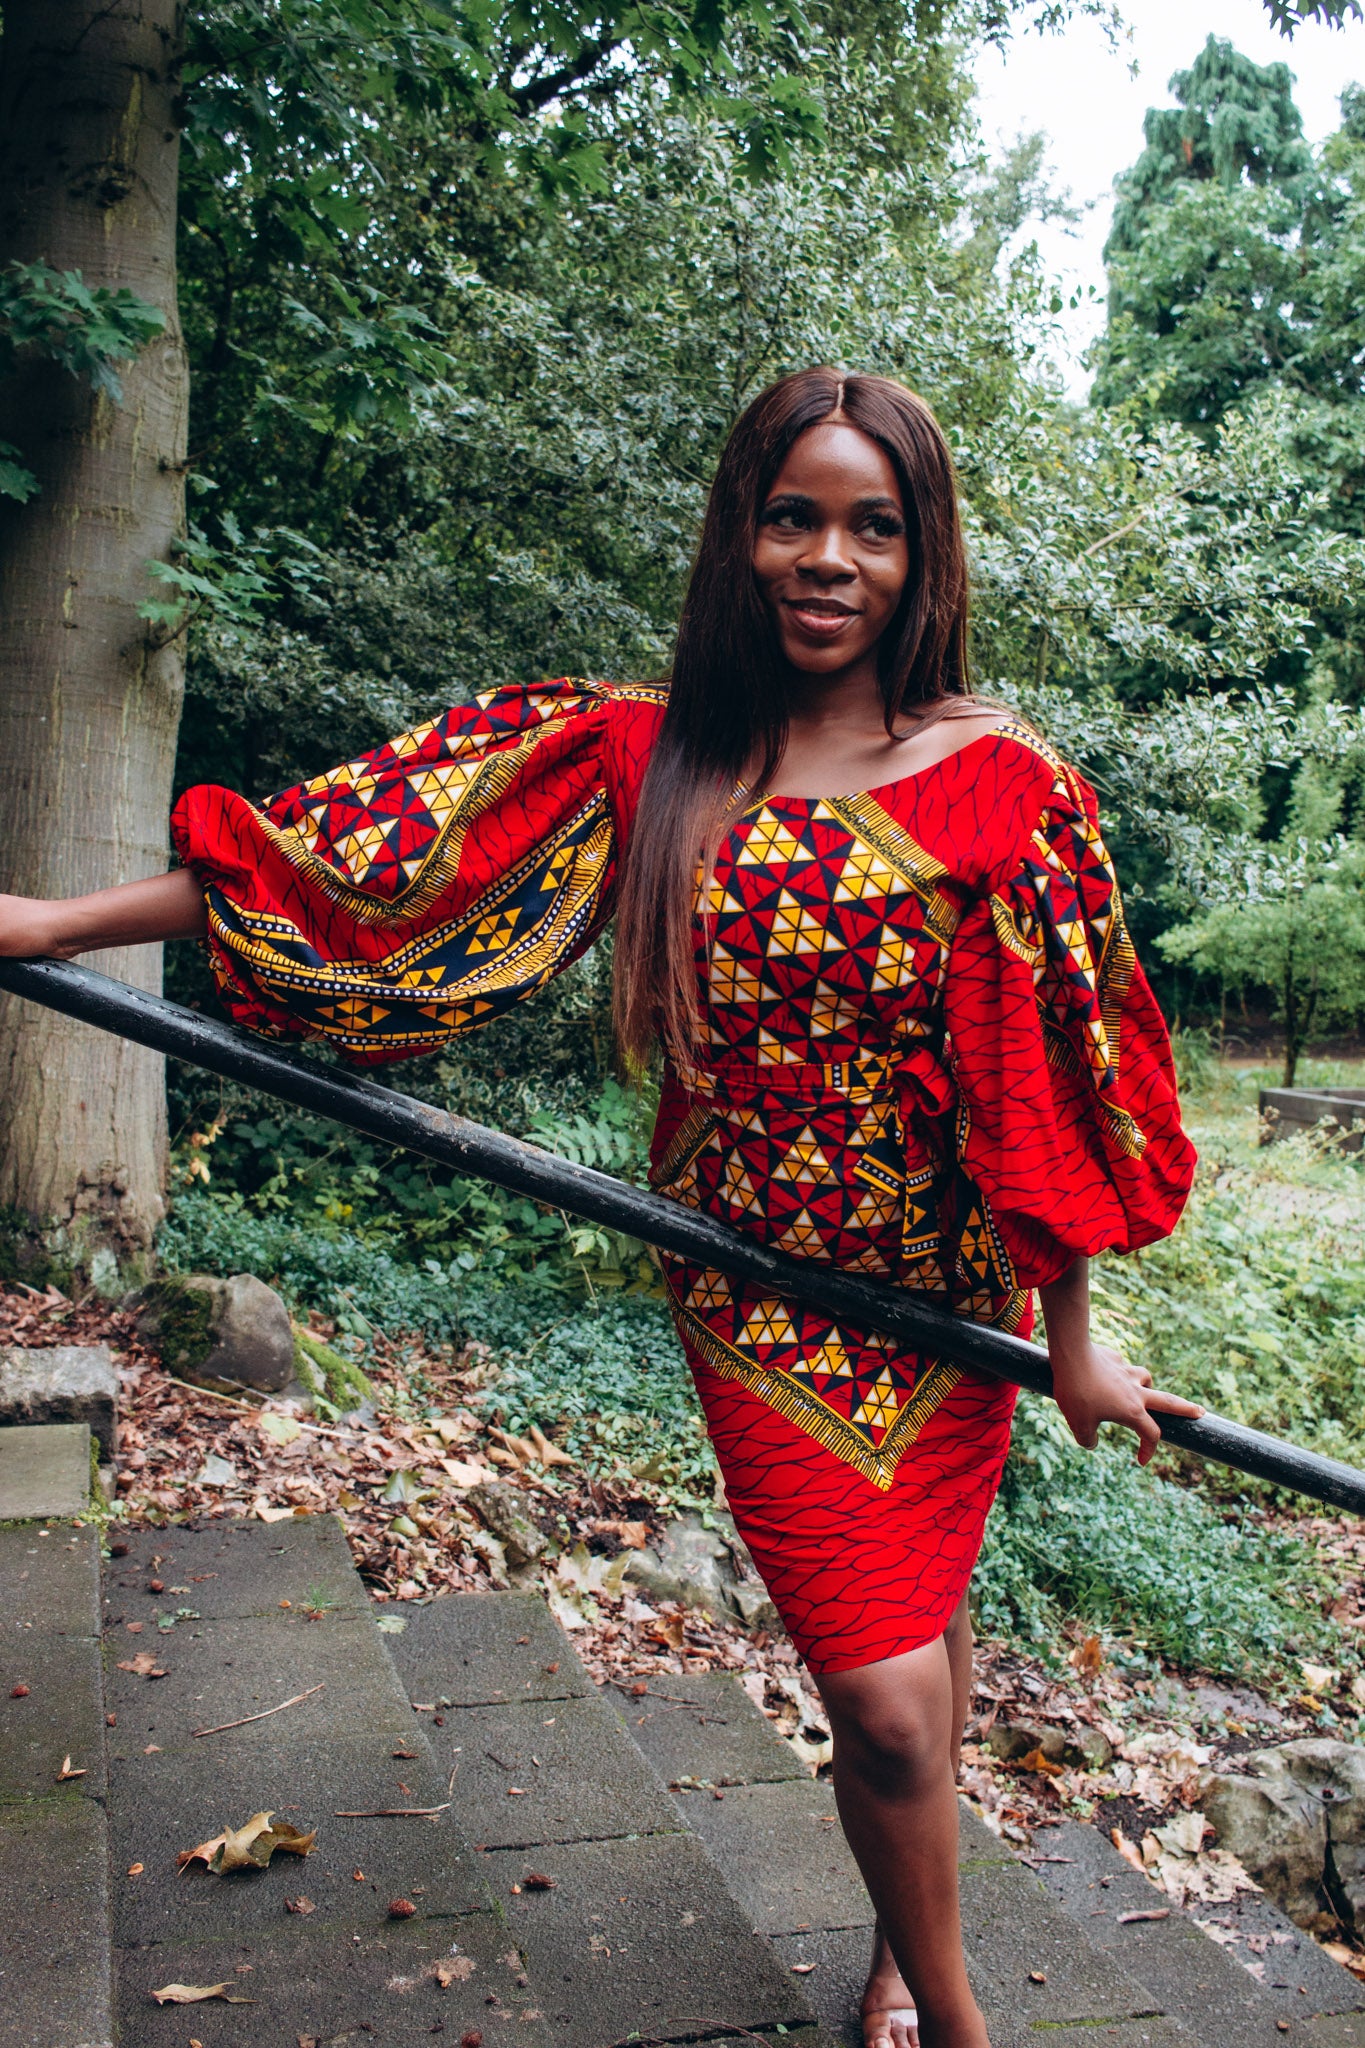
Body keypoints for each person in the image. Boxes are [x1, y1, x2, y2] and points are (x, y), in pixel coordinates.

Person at [0, 367, 1199, 2048]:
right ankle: (956, 2015)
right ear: (742, 533)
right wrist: (52, 926)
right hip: (754, 1305)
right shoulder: (643, 756)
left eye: (873, 525)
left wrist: (1073, 1340)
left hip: (943, 1316)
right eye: (795, 517)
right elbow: (358, 870)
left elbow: (1047, 1076)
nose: (828, 559)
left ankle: (895, 1943)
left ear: (924, 556)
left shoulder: (1002, 787)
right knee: (889, 1702)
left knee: (908, 1682)